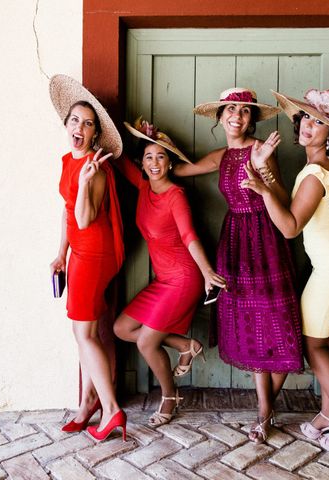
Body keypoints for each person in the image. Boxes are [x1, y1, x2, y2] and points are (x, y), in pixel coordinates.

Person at [240, 88, 329, 455]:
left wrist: (262, 193)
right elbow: (292, 201)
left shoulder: (316, 172)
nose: (308, 126)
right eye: (306, 118)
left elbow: (290, 226)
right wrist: (267, 174)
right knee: (324, 339)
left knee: (313, 344)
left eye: (318, 122)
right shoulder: (321, 166)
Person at [174, 88, 303, 443]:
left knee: (275, 322)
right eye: (230, 109)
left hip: (266, 241)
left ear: (252, 119)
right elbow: (180, 169)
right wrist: (155, 148)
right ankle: (265, 413)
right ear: (219, 117)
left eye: (245, 111)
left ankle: (265, 411)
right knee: (250, 323)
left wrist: (263, 175)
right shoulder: (220, 155)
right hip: (234, 243)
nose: (237, 116)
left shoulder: (262, 151)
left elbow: (283, 202)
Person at [113, 118, 226, 426]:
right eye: (148, 156)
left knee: (146, 342)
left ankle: (169, 396)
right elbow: (118, 155)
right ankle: (185, 345)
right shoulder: (141, 185)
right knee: (122, 329)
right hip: (164, 280)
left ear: (170, 162)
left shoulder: (176, 196)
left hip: (184, 279)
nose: (154, 162)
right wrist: (110, 133)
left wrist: (206, 272)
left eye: (161, 156)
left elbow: (190, 236)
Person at [48, 74, 126, 442]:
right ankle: (88, 404)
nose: (80, 127)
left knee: (83, 332)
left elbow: (83, 217)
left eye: (88, 123)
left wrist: (83, 183)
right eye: (75, 120)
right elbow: (67, 213)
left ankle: (111, 411)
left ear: (96, 134)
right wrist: (60, 254)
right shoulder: (69, 159)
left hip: (95, 254)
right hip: (78, 253)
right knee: (86, 332)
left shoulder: (93, 169)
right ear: (66, 125)